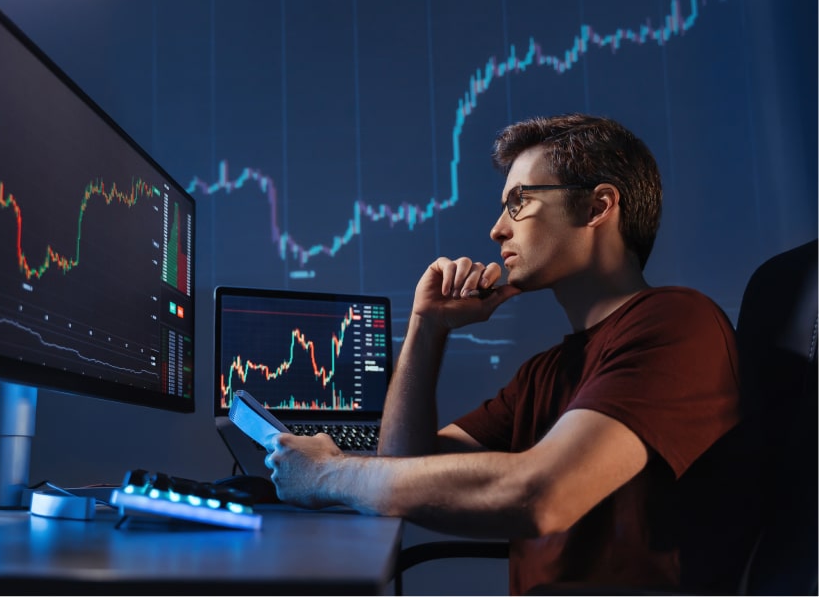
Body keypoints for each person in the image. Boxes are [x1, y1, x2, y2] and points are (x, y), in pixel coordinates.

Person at [264, 113, 758, 595]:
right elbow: (405, 469)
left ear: (597, 207)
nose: (497, 230)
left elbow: (542, 494)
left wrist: (329, 474)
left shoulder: (676, 323)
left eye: (519, 202)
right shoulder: (546, 372)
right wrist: (427, 327)